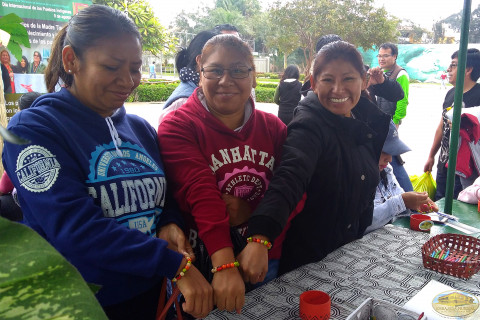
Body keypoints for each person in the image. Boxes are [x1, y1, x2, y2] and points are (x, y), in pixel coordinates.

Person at [2, 5, 213, 319]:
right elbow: (74, 228)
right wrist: (174, 264)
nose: (128, 80)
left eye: (135, 67)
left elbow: (163, 194)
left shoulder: (141, 129)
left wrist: (170, 221)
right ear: (71, 60)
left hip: (150, 296)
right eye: (113, 67)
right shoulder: (32, 131)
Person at [158, 34, 287, 313]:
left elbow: (291, 190)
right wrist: (225, 264)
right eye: (215, 70)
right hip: (204, 264)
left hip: (262, 260)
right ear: (199, 69)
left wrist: (259, 234)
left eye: (239, 70)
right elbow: (200, 190)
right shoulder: (178, 126)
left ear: (253, 76)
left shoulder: (274, 128)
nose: (226, 81)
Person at [238, 41, 390, 279]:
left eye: (348, 79)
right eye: (328, 80)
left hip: (348, 254)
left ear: (363, 79)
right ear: (313, 81)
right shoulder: (309, 125)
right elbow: (290, 177)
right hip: (309, 264)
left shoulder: (364, 117)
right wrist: (260, 237)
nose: (338, 89)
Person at [424, 48, 480, 201]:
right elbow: (441, 126)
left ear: (468, 69)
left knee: (461, 210)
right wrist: (431, 156)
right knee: (440, 204)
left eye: (453, 65)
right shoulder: (451, 93)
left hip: (467, 169)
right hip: (445, 165)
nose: (448, 69)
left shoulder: (479, 95)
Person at [365, 121, 438, 234]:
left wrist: (417, 202)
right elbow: (361, 223)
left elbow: (398, 194)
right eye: (383, 151)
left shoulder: (386, 169)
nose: (389, 159)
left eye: (392, 152)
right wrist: (402, 201)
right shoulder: (354, 177)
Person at [0, 91, 42, 222]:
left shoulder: (20, 131)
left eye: (18, 110)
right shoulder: (54, 126)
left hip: (31, 203)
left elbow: (5, 186)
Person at [160, 30, 218, 123]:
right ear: (200, 62)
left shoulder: (199, 90)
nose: (226, 80)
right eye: (217, 69)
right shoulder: (183, 104)